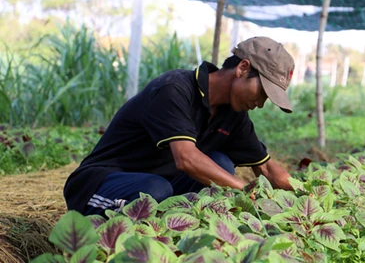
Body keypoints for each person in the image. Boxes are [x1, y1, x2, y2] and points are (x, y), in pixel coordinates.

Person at [63, 36, 295, 216]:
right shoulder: (174, 89)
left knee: (220, 164)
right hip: (100, 186)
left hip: (158, 186)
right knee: (155, 190)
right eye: (263, 92)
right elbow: (187, 159)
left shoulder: (234, 114)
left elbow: (266, 169)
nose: (261, 104)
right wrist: (244, 191)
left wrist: (305, 197)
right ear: (242, 68)